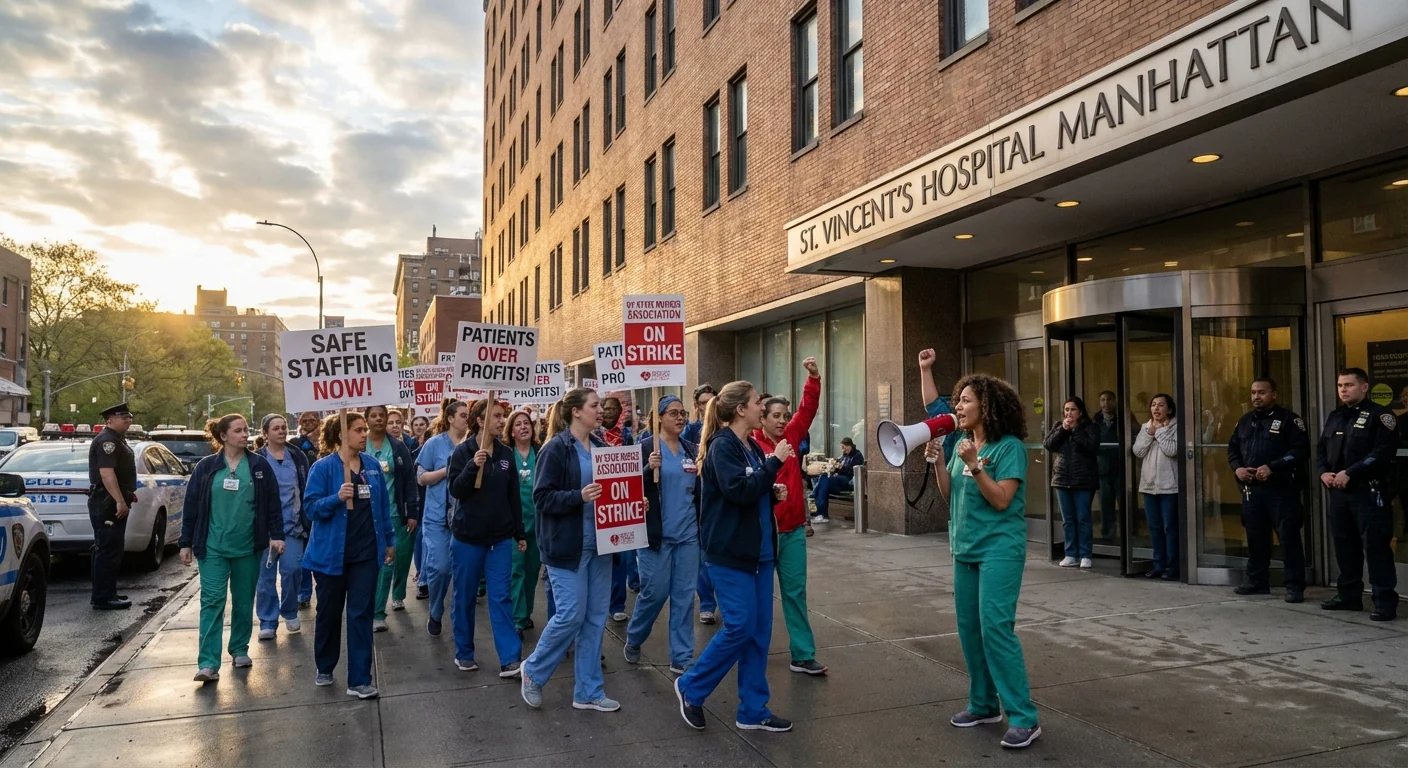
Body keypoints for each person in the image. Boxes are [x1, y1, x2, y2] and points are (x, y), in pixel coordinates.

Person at [926, 374, 1040, 749]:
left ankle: (1024, 717)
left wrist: (976, 466)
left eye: (965, 401)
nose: (957, 406)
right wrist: (942, 464)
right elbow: (949, 494)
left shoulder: (1009, 449)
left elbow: (1002, 500)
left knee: (995, 630)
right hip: (965, 549)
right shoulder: (960, 442)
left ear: (986, 407)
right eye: (958, 400)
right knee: (970, 631)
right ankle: (983, 705)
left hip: (999, 550)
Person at [674, 381, 794, 734]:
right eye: (758, 402)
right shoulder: (721, 446)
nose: (763, 407)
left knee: (758, 632)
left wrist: (771, 493)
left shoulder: (751, 447)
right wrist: (774, 465)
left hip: (759, 554)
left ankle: (753, 709)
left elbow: (751, 489)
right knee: (740, 626)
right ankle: (692, 687)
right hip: (729, 554)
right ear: (741, 409)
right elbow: (737, 490)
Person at [520, 389, 619, 712]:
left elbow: (614, 490)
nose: (600, 411)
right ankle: (533, 671)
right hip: (567, 546)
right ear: (575, 411)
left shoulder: (603, 447)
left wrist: (632, 502)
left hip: (602, 545)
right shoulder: (556, 449)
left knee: (594, 618)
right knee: (571, 615)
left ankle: (588, 691)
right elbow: (542, 498)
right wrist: (578, 496)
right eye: (594, 406)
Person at [178, 414, 285, 682]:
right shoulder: (206, 467)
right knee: (212, 601)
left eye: (246, 430)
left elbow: (273, 504)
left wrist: (276, 535)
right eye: (238, 431)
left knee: (243, 601)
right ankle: (208, 663)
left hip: (248, 547)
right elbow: (191, 505)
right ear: (223, 436)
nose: (244, 435)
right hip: (212, 547)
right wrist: (185, 542)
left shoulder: (259, 466)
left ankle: (239, 649)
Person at [303, 412, 396, 698]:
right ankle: (325, 665)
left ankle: (359, 679)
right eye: (358, 430)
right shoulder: (323, 468)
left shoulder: (372, 467)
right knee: (329, 613)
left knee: (360, 614)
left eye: (364, 429)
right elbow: (311, 509)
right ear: (342, 434)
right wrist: (336, 498)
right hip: (331, 556)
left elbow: (382, 508)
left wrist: (390, 541)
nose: (364, 434)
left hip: (365, 555)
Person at [751, 359, 828, 676]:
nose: (783, 421)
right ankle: (752, 653)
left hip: (793, 530)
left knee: (795, 593)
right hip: (762, 532)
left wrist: (813, 379)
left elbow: (807, 409)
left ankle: (803, 654)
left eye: (785, 416)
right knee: (758, 599)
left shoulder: (793, 435)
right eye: (776, 416)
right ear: (762, 418)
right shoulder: (751, 443)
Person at [447, 399, 527, 675]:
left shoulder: (506, 453)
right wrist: (472, 467)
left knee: (501, 597)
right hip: (468, 539)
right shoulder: (462, 452)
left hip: (500, 539)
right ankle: (464, 652)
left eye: (503, 416)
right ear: (480, 420)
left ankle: (510, 658)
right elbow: (456, 491)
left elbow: (512, 495)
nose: (502, 421)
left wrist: (519, 532)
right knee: (465, 596)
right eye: (496, 416)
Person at [623, 395, 702, 675]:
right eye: (673, 413)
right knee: (654, 594)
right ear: (659, 418)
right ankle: (634, 636)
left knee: (683, 597)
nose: (680, 418)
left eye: (683, 413)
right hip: (656, 537)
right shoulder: (644, 448)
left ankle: (682, 656)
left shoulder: (691, 450)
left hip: (688, 536)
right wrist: (647, 469)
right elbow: (625, 489)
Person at [1318, 368, 1399, 621]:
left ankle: (1384, 601)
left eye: (1349, 385)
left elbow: (1382, 452)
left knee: (1375, 547)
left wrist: (1350, 472)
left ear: (1364, 387)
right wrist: (1323, 472)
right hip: (1339, 494)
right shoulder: (1336, 416)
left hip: (1368, 491)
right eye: (1340, 385)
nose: (1343, 389)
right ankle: (1349, 595)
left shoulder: (1381, 415)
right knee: (1344, 545)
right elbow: (1322, 449)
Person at [1226, 377, 1310, 602]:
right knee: (1256, 537)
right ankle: (1257, 581)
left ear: (1274, 394)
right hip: (1252, 490)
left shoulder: (1289, 421)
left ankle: (1294, 586)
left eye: (1261, 392)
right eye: (1253, 392)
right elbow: (1233, 449)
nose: (1256, 397)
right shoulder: (1244, 421)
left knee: (1288, 538)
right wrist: (1238, 469)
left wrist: (1273, 467)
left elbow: (1300, 451)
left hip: (1281, 490)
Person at [255, 414, 311, 640]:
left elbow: (305, 486)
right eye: (276, 428)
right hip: (265, 531)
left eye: (283, 427)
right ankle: (268, 620)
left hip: (293, 526)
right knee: (265, 578)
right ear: (265, 433)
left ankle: (289, 611)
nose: (281, 431)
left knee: (292, 570)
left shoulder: (297, 456)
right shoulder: (257, 459)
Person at [365, 405, 421, 632]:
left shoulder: (398, 447)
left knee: (390, 562)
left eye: (382, 416)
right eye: (374, 416)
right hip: (364, 517)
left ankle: (379, 613)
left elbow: (409, 481)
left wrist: (412, 513)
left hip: (393, 515)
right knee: (369, 565)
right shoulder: (359, 444)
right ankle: (367, 605)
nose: (378, 419)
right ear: (367, 419)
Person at [417, 399, 470, 635]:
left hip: (466, 518)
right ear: (450, 418)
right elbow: (421, 478)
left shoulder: (474, 445)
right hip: (437, 518)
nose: (466, 419)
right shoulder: (434, 444)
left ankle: (459, 621)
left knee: (463, 573)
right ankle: (435, 610)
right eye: (462, 415)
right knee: (439, 568)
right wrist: (447, 470)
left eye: (468, 415)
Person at [88, 403, 139, 611]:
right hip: (107, 502)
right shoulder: (107, 441)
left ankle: (108, 592)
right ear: (109, 419)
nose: (129, 420)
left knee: (112, 549)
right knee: (107, 549)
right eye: (123, 416)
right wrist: (119, 500)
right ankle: (102, 597)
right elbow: (106, 474)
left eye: (130, 416)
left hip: (112, 500)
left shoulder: (117, 439)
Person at [1044, 397, 1099, 569]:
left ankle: (1085, 554)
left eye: (1072, 410)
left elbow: (1090, 447)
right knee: (1068, 519)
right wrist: (1063, 430)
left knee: (1082, 518)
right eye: (1066, 410)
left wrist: (1075, 430)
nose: (1068, 413)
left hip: (1083, 479)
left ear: (1080, 412)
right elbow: (1048, 444)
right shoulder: (1059, 426)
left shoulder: (1090, 428)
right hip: (1062, 479)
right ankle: (1070, 553)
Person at [1133, 394, 1180, 580]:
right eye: (1153, 405)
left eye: (1161, 405)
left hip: (1170, 487)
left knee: (1170, 528)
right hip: (1149, 486)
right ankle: (1158, 564)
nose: (1156, 408)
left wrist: (1159, 432)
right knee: (1154, 528)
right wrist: (1150, 433)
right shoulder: (1146, 427)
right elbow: (1138, 451)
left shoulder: (1176, 427)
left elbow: (1172, 450)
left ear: (1169, 409)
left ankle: (1173, 566)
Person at [505, 408, 542, 632]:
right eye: (517, 424)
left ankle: (526, 612)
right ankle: (518, 619)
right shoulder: (506, 455)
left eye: (526, 423)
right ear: (511, 431)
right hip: (513, 524)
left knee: (532, 571)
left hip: (538, 524)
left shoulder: (541, 452)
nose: (523, 427)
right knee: (516, 571)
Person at [810, 438, 864, 523]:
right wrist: (833, 465)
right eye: (841, 447)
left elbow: (851, 472)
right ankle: (821, 514)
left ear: (849, 446)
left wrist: (840, 467)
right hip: (838, 481)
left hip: (847, 481)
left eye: (843, 447)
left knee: (824, 481)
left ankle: (820, 511)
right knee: (824, 481)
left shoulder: (857, 455)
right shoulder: (844, 455)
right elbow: (837, 466)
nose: (842, 449)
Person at [1093, 391, 1123, 542]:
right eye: (1103, 399)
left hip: (1121, 470)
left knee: (1125, 506)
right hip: (1103, 471)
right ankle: (1108, 539)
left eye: (1109, 399)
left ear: (1115, 401)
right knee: (1106, 507)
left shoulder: (1123, 418)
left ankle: (1127, 539)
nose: (1106, 403)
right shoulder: (1095, 421)